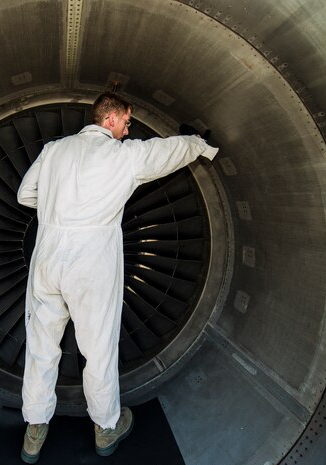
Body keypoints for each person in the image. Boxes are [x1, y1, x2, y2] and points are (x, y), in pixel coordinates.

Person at [17, 92, 218, 463]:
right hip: (91, 265)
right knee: (99, 350)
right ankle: (107, 427)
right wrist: (199, 144)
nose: (128, 130)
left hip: (47, 258)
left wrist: (56, 211)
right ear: (110, 118)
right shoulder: (124, 157)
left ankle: (34, 429)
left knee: (42, 346)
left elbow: (25, 194)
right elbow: (169, 152)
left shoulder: (54, 150)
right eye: (127, 121)